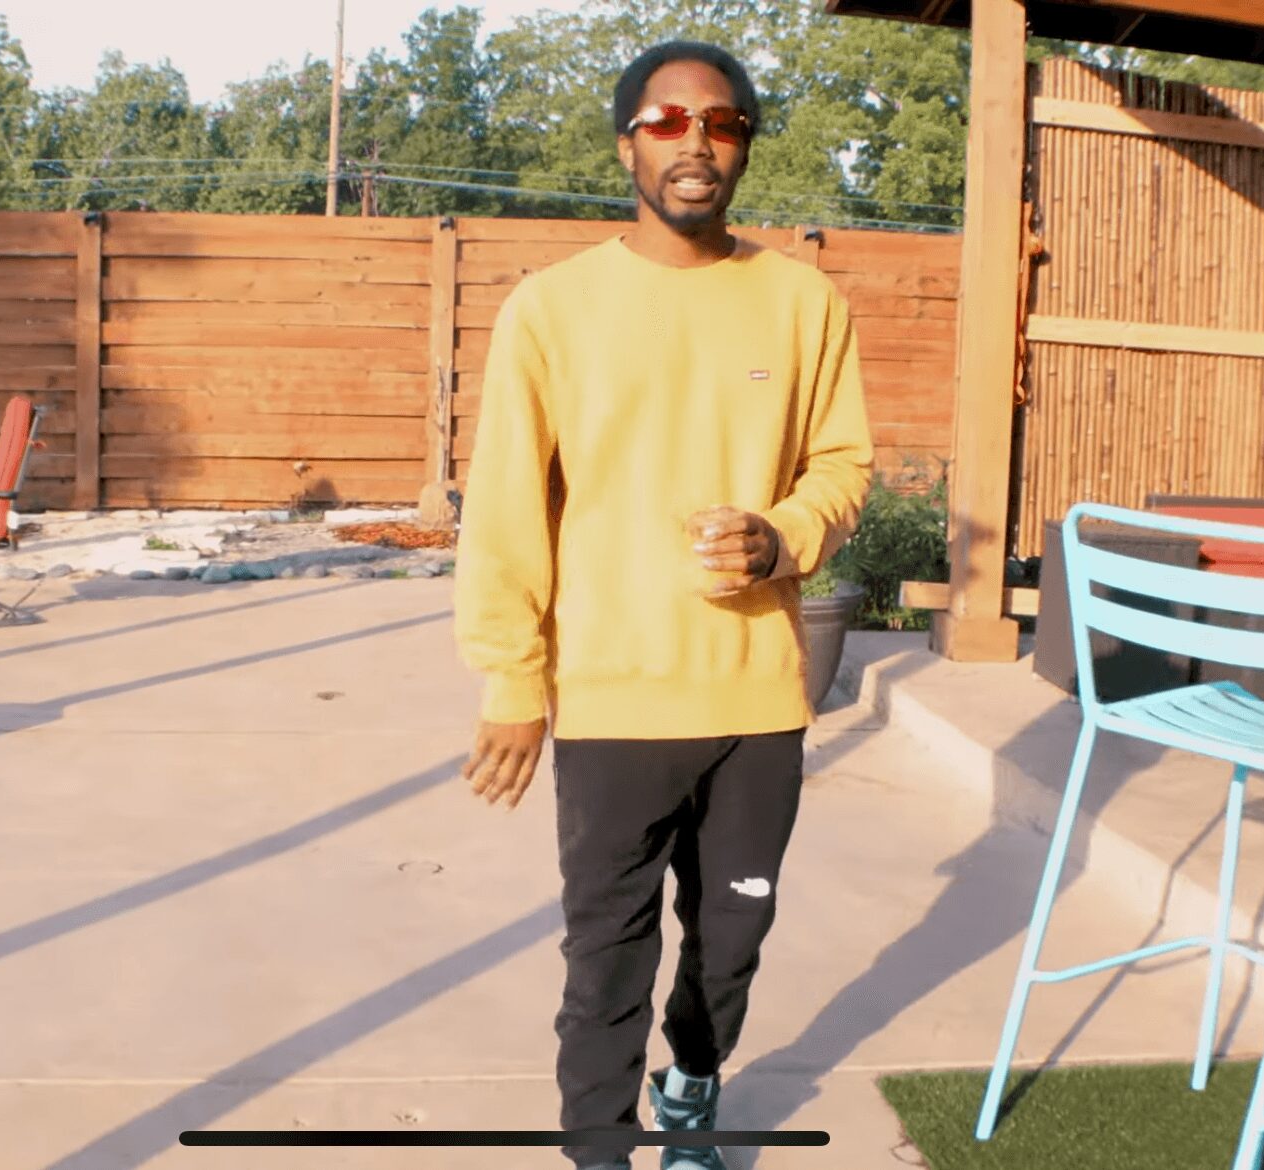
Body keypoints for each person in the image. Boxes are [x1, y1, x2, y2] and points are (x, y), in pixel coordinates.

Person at [450, 39, 875, 1170]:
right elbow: (506, 507)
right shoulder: (551, 310)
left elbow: (842, 464)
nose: (697, 142)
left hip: (755, 702)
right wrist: (512, 680)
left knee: (730, 943)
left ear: (745, 146)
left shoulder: (802, 302)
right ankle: (599, 1149)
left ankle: (692, 1083)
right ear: (627, 143)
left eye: (722, 123)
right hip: (611, 696)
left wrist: (782, 535)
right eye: (669, 120)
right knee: (607, 958)